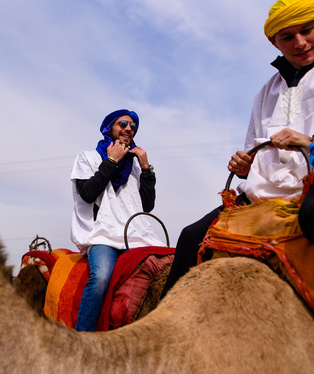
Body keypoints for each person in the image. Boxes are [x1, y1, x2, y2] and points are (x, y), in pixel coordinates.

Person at [161, 0, 314, 297]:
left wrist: (306, 142)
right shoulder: (265, 92)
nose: (300, 42)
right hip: (259, 196)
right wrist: (245, 166)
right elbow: (253, 150)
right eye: (287, 37)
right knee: (191, 236)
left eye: (307, 30)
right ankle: (161, 331)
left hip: (309, 189)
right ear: (274, 42)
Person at [70, 108, 165, 332]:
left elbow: (147, 206)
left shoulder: (133, 165)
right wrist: (111, 161)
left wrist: (145, 168)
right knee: (101, 277)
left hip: (136, 234)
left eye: (133, 126)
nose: (128, 129)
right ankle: (81, 340)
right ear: (110, 127)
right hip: (103, 235)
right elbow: (87, 194)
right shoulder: (88, 158)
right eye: (123, 124)